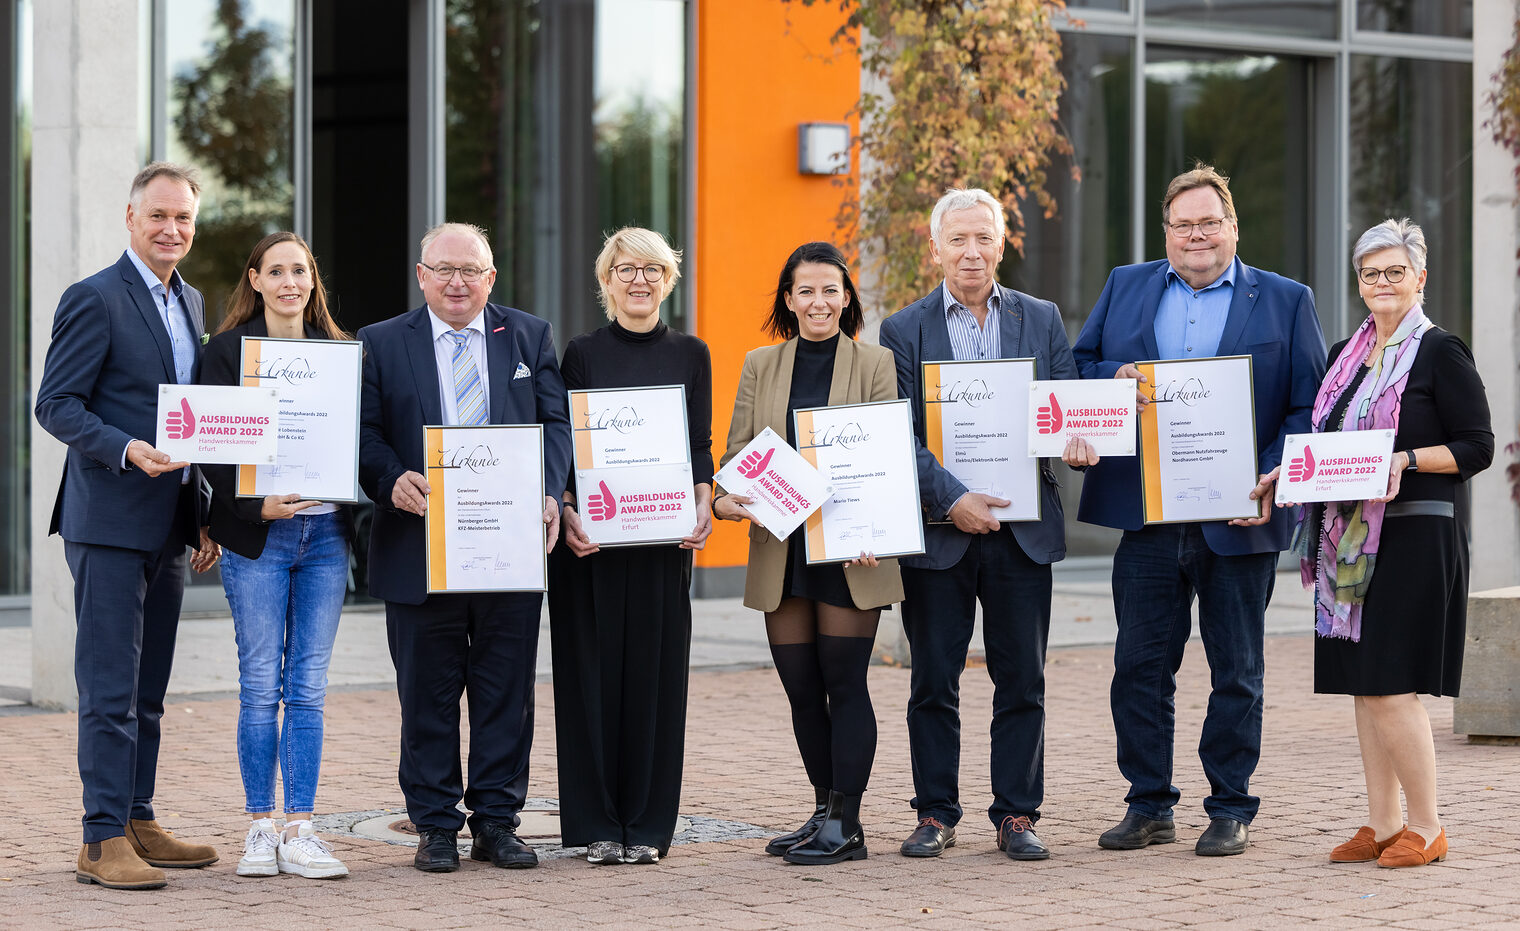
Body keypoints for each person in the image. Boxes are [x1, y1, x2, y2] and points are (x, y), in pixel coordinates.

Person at [1068, 163, 1327, 856]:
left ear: (1233, 227)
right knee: (1139, 666)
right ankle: (1149, 803)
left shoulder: (1286, 300)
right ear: (1167, 232)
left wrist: (1275, 468)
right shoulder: (1126, 286)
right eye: (1182, 224)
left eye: (1209, 221)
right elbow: (1077, 363)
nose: (1196, 235)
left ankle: (1230, 805)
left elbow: (1311, 405)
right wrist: (1108, 380)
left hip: (1239, 513)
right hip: (1146, 511)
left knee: (1236, 668)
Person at [1271, 219, 1491, 868]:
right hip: (1348, 538)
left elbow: (1476, 445)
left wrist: (1409, 459)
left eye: (1395, 271)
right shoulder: (1345, 355)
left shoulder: (1440, 352)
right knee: (1365, 684)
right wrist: (1285, 472)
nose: (1382, 283)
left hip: (1416, 531)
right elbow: (1329, 449)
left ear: (1419, 278)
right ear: (1359, 282)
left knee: (1393, 684)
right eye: (1371, 273)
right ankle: (1383, 822)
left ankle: (1427, 825)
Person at [357, 222, 572, 873]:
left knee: (505, 692)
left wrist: (549, 490)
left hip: (507, 548)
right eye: (443, 269)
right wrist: (390, 477)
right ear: (421, 275)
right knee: (427, 695)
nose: (457, 281)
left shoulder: (528, 336)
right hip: (421, 548)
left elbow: (556, 421)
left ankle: (498, 822)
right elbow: (361, 433)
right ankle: (436, 826)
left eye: (470, 269)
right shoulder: (381, 342)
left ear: (491, 277)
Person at [35, 162, 222, 890]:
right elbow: (57, 404)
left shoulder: (192, 302)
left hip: (169, 521)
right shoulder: (94, 297)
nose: (172, 230)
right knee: (110, 686)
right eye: (159, 217)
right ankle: (100, 836)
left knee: (148, 690)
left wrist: (204, 512)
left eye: (183, 219)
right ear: (130, 218)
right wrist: (123, 446)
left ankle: (138, 817)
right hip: (108, 518)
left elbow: (192, 417)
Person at [879, 187, 1076, 862]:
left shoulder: (1042, 319)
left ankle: (1017, 812)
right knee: (933, 677)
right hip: (941, 533)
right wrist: (952, 497)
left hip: (1023, 531)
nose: (971, 252)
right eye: (957, 239)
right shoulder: (903, 330)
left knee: (1022, 676)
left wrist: (1079, 434)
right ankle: (935, 810)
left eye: (983, 238)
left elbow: (1065, 404)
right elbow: (899, 435)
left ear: (1002, 244)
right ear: (935, 247)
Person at [714, 241, 902, 865]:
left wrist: (883, 525)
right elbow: (736, 458)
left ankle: (848, 823)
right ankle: (823, 809)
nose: (818, 301)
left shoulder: (875, 363)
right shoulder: (760, 364)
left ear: (846, 298)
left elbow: (885, 457)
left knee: (844, 683)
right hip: (782, 545)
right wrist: (727, 497)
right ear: (788, 301)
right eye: (805, 291)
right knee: (801, 687)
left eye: (829, 290)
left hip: (853, 547)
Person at [550, 228, 714, 866]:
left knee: (655, 681)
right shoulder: (581, 353)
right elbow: (564, 443)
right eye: (625, 268)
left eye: (652, 268)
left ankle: (646, 827)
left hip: (660, 539)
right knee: (589, 679)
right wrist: (565, 509)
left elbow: (698, 442)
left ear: (668, 278)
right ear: (605, 279)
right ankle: (596, 824)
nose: (639, 280)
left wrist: (703, 498)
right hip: (590, 545)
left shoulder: (691, 353)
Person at [199, 232, 354, 880]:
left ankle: (302, 828)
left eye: (302, 270)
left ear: (313, 281)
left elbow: (360, 442)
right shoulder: (227, 353)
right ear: (255, 279)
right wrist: (247, 507)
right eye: (278, 270)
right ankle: (260, 828)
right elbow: (208, 446)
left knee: (308, 687)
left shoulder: (341, 356)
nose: (291, 281)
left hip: (325, 538)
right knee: (261, 684)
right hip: (259, 538)